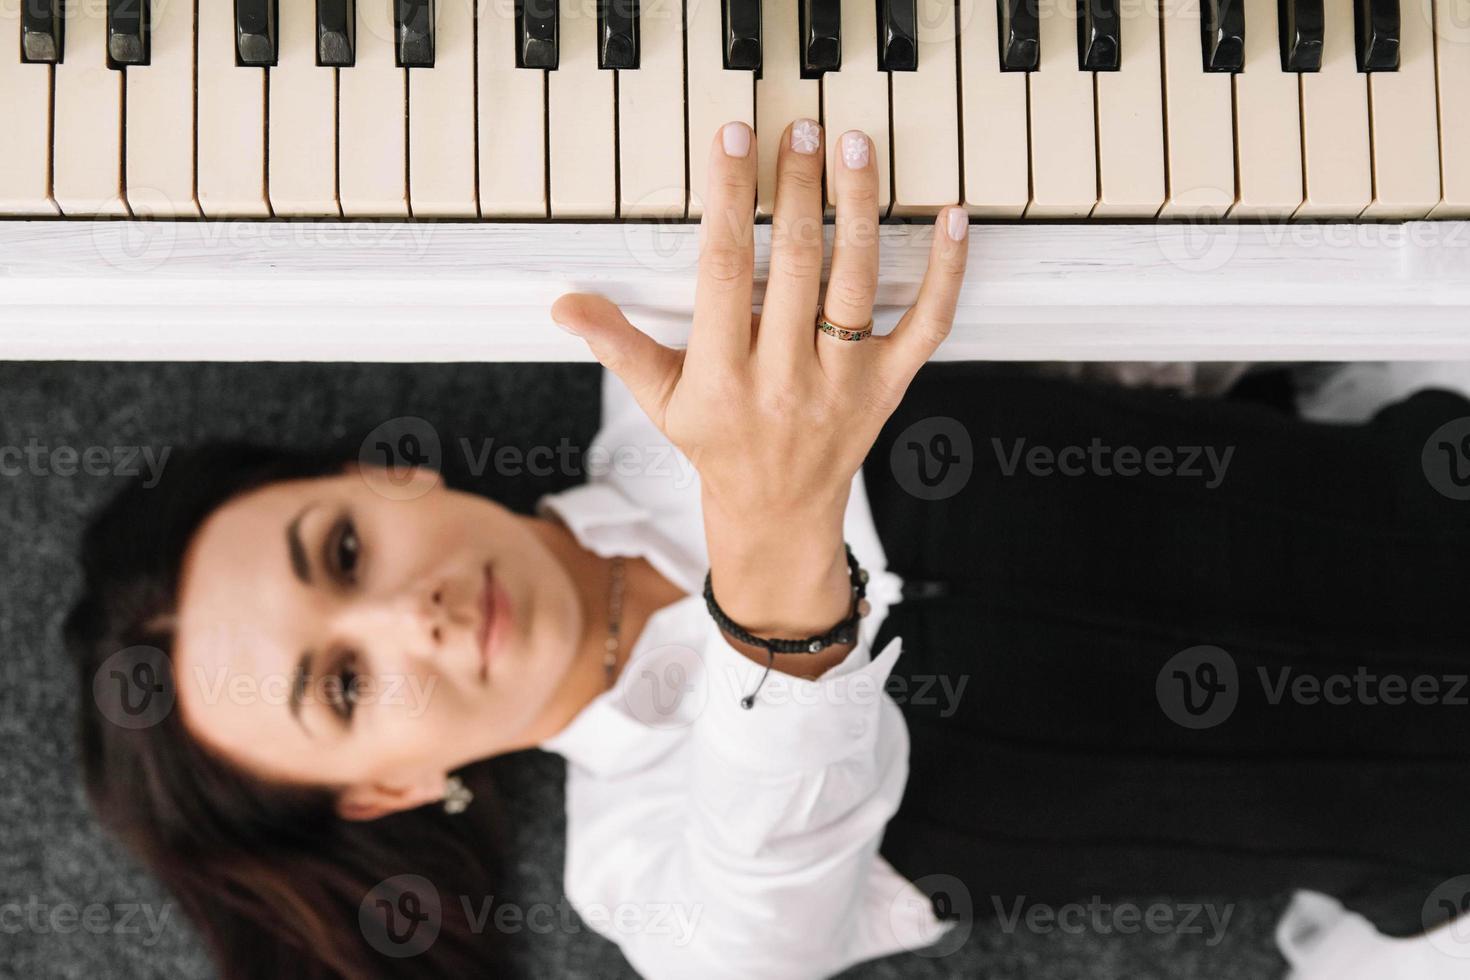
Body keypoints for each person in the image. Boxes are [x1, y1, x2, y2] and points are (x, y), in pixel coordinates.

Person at [65, 119, 1470, 980]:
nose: (408, 617)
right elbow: (759, 915)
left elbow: (1117, 329)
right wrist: (779, 547)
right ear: (386, 787)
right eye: (344, 685)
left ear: (395, 475)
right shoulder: (643, 882)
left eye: (347, 551)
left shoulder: (687, 336)